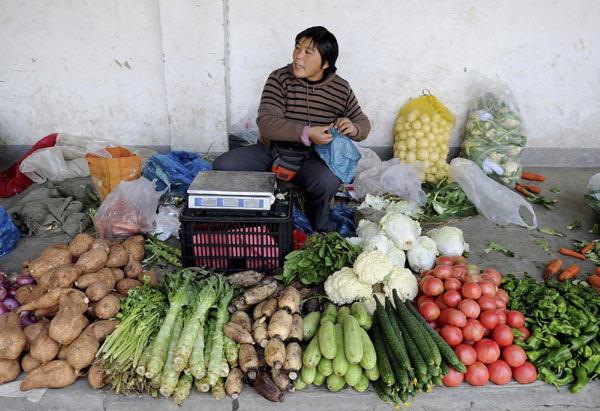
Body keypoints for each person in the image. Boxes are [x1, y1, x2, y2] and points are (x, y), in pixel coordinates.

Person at [213, 26, 370, 232]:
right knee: (223, 165)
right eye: (297, 48)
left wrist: (354, 127)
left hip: (314, 159)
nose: (298, 57)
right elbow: (267, 123)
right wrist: (306, 133)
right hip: (272, 151)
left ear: (325, 63)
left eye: (308, 52)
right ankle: (253, 216)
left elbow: (363, 123)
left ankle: (318, 222)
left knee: (327, 180)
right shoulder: (280, 79)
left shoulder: (341, 88)